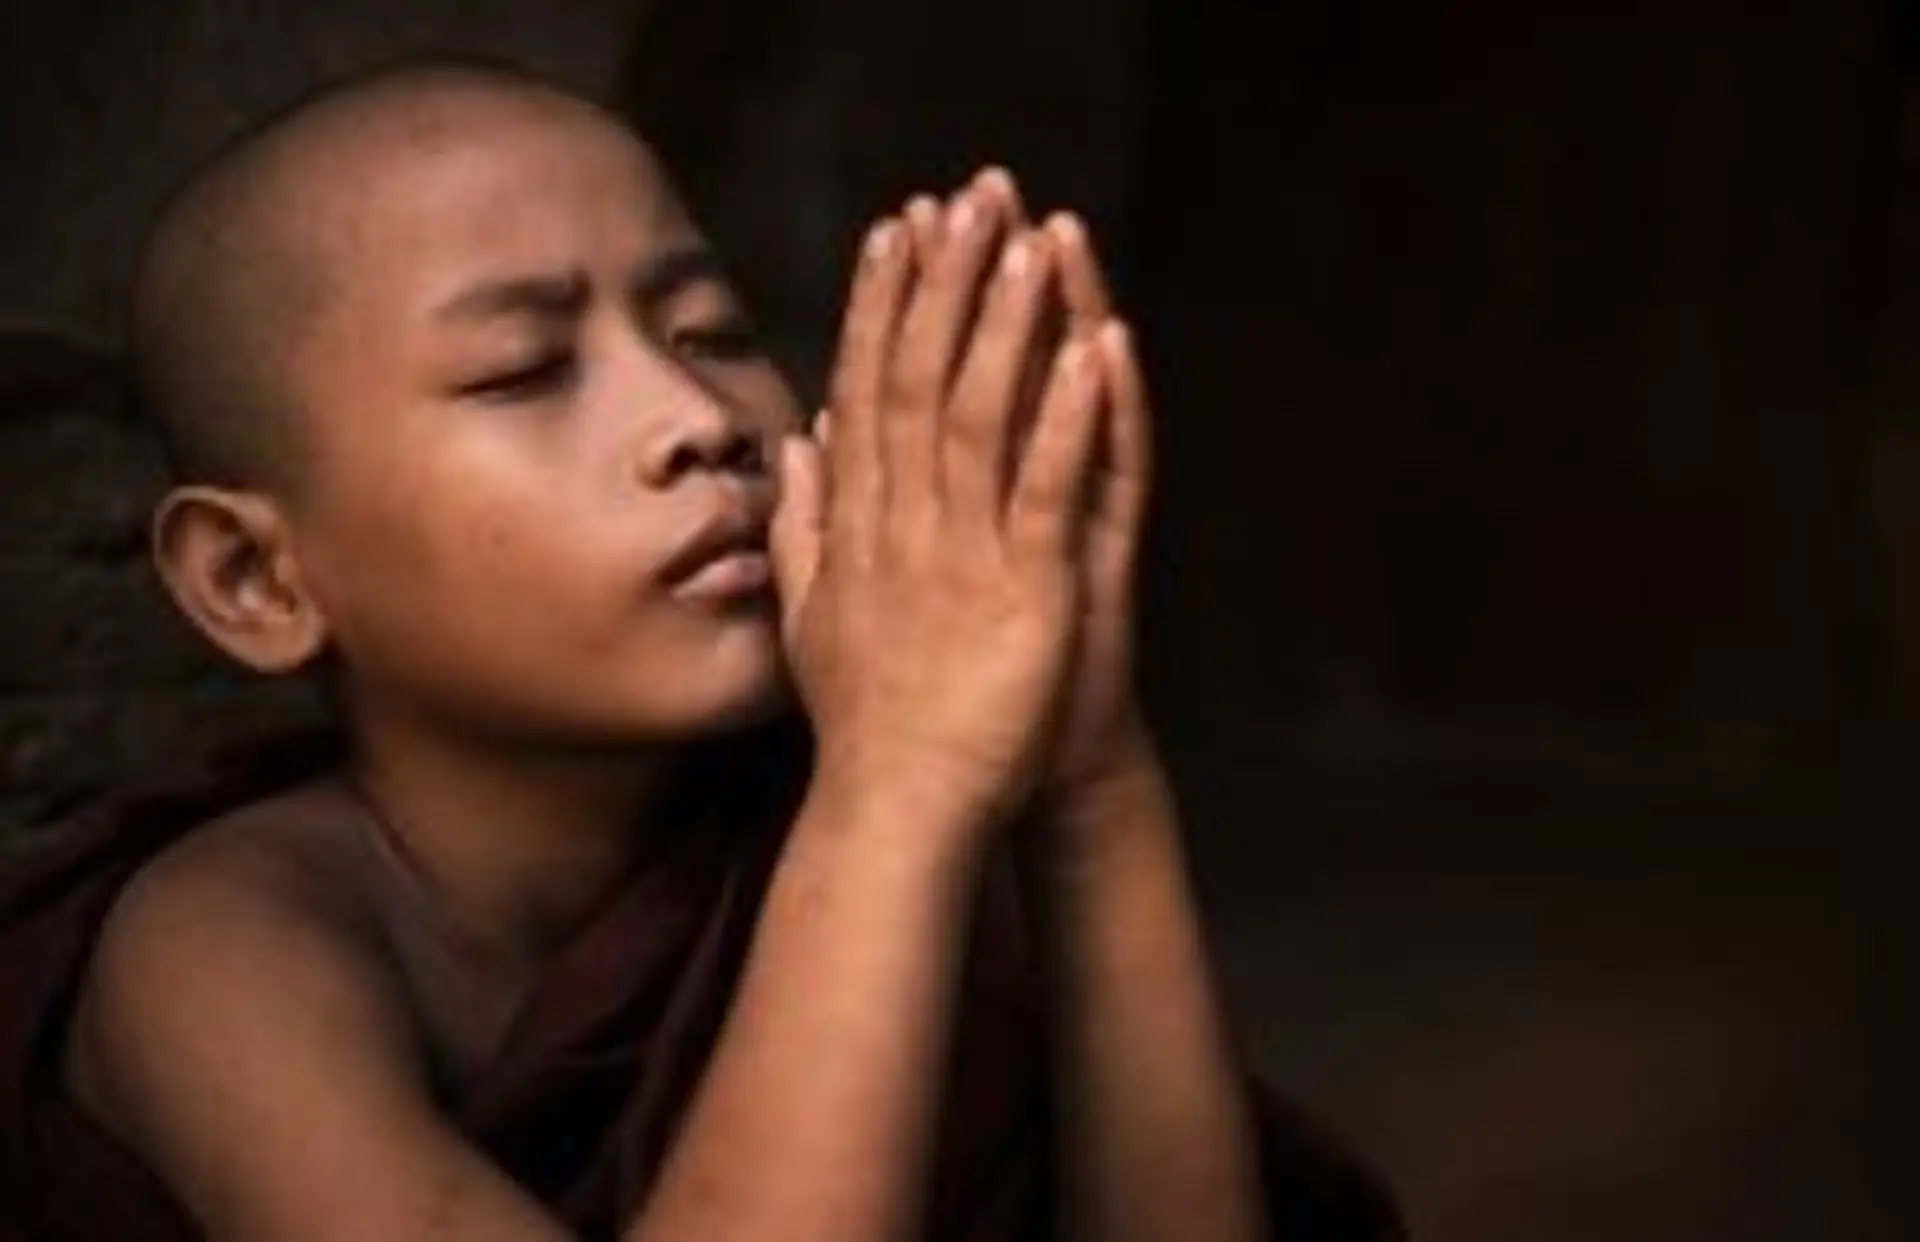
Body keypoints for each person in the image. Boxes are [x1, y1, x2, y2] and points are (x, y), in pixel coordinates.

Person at [0, 60, 1400, 1242]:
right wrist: (895, 787)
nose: (701, 417)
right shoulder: (216, 952)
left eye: (712, 333)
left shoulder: (797, 827)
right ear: (254, 579)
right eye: (525, 369)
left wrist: (1092, 776)